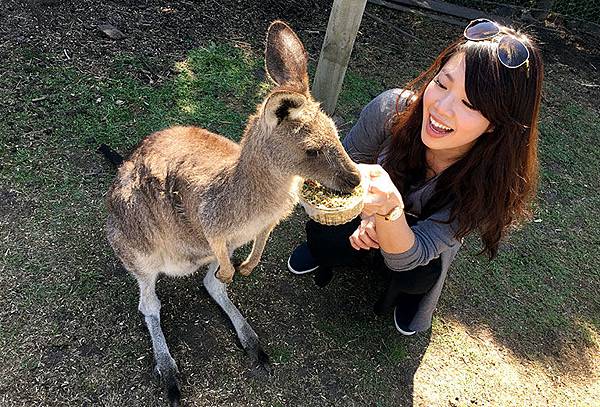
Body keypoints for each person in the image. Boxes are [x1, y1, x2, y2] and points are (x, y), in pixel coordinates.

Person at [287, 19, 544, 335]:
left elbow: (411, 254)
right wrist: (368, 212)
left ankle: (412, 298)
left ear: (495, 123)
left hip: (417, 250)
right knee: (323, 233)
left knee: (416, 276)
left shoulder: (489, 182)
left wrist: (389, 213)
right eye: (442, 83)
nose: (441, 108)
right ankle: (324, 252)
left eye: (470, 103)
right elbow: (340, 174)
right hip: (364, 217)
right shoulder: (389, 110)